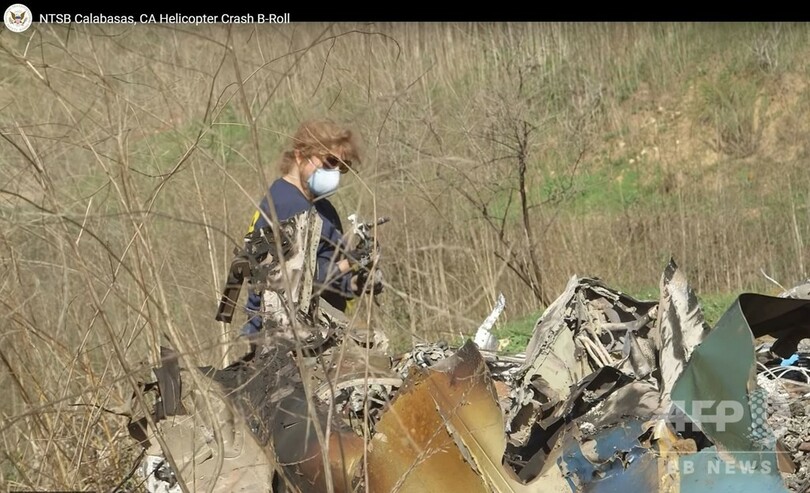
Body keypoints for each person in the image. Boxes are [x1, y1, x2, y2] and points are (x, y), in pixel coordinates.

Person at [240, 118, 379, 336]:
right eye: (330, 161)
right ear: (299, 155)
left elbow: (329, 274)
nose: (335, 172)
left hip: (323, 329)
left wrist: (356, 283)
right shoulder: (285, 205)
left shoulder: (324, 209)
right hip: (285, 337)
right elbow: (297, 279)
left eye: (342, 167)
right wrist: (352, 261)